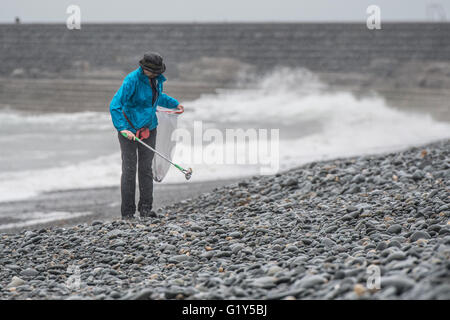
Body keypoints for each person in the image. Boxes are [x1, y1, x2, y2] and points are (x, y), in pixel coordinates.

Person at [109, 52, 184, 220]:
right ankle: (127, 213)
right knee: (129, 170)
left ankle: (145, 209)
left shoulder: (156, 80)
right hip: (128, 130)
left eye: (158, 72)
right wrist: (122, 128)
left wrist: (174, 103)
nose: (157, 74)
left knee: (146, 169)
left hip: (149, 128)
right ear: (144, 68)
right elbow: (115, 105)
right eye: (154, 71)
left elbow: (157, 98)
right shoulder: (131, 80)